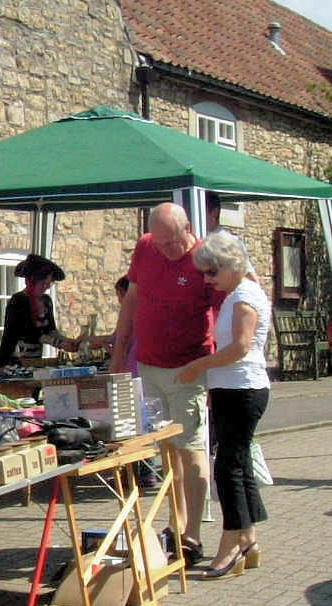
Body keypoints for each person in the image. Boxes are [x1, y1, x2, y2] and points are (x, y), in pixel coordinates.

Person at [110, 203, 225, 567]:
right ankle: (174, 525)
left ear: (187, 228)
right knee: (167, 450)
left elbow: (225, 309)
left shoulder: (204, 257)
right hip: (149, 364)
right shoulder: (146, 246)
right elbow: (131, 300)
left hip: (188, 368)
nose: (167, 250)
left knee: (191, 447)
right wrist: (119, 353)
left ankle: (192, 534)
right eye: (161, 243)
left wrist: (214, 367)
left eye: (173, 243)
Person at [175, 230, 270, 578]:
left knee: (227, 468)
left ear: (231, 266)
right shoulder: (241, 291)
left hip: (242, 389)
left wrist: (198, 366)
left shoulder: (244, 296)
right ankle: (247, 537)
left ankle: (230, 542)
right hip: (236, 389)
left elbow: (241, 347)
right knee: (239, 464)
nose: (207, 280)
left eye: (212, 272)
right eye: (204, 273)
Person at [0, 254, 81, 368]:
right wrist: (60, 344)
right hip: (12, 364)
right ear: (32, 282)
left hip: (34, 363)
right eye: (43, 284)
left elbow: (51, 331)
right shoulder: (18, 300)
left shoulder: (46, 301)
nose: (46, 287)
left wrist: (69, 341)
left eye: (48, 284)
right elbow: (30, 333)